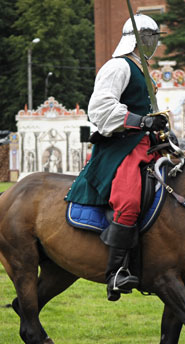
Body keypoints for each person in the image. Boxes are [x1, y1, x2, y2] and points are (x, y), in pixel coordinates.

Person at [65, 14, 168, 301]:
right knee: (129, 198)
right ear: (136, 38)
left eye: (155, 39)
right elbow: (99, 108)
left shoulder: (144, 71)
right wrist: (142, 121)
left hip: (147, 145)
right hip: (120, 148)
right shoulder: (117, 67)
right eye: (150, 37)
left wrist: (157, 126)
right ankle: (116, 272)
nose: (153, 44)